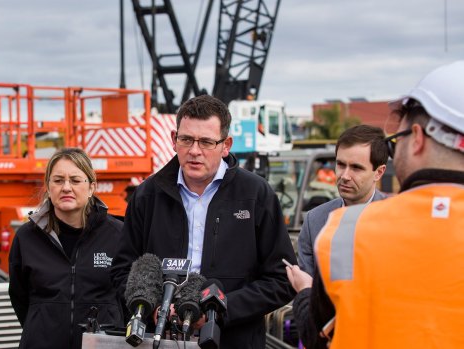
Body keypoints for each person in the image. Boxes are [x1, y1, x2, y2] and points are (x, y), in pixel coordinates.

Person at [110, 94, 297, 349]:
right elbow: (123, 269)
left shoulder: (256, 195)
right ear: (173, 139)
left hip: (233, 341)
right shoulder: (147, 196)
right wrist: (151, 306)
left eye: (206, 142)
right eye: (186, 139)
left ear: (226, 144)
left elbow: (281, 280)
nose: (194, 151)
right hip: (161, 339)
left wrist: (219, 309)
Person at [311, 61, 464, 348]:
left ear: (417, 138)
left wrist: (304, 292)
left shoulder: (346, 230)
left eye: (398, 140)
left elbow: (316, 334)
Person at [9, 148, 124, 349]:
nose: (66, 187)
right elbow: (20, 297)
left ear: (91, 188)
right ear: (48, 186)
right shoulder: (27, 237)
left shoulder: (117, 235)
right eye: (58, 180)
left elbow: (127, 299)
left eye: (76, 180)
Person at [298, 125, 389, 276]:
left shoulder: (399, 220)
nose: (345, 176)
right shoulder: (314, 221)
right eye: (340, 165)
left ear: (379, 173)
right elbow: (307, 290)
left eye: (356, 168)